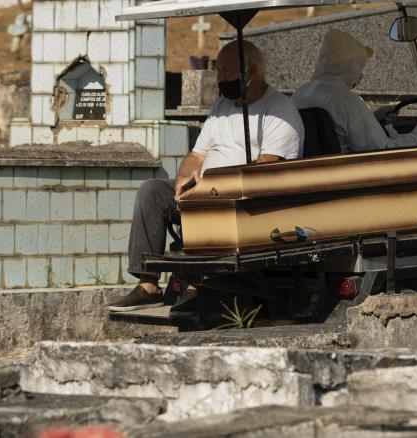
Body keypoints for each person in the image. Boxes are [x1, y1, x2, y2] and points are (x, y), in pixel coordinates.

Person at [108, 40, 304, 316]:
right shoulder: (222, 106)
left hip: (245, 202)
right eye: (218, 70)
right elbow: (197, 155)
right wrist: (184, 179)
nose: (220, 78)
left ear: (251, 71)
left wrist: (214, 186)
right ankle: (148, 284)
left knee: (207, 205)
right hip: (205, 191)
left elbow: (267, 169)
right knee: (152, 191)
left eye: (226, 71)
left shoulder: (280, 111)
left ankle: (196, 286)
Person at [291, 29, 417, 152]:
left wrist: (373, 118)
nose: (361, 73)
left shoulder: (299, 94)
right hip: (347, 175)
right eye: (360, 66)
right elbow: (383, 150)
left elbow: (338, 130)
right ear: (350, 66)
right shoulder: (349, 102)